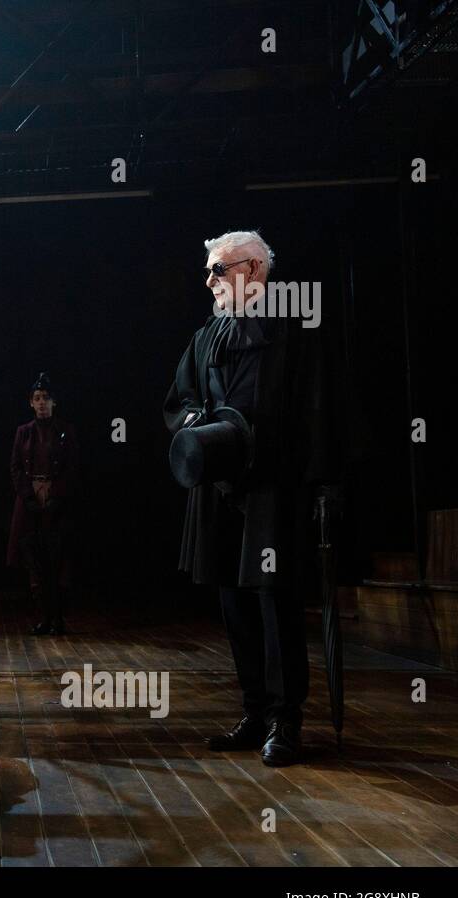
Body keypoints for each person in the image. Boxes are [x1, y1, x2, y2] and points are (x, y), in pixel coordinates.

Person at [163, 229, 342, 767]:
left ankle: (286, 719)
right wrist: (198, 427)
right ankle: (255, 710)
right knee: (233, 600)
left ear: (255, 271)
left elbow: (319, 410)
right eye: (209, 271)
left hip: (274, 488)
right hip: (221, 488)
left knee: (275, 601)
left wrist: (324, 485)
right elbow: (180, 401)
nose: (210, 280)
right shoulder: (205, 338)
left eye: (220, 269)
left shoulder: (296, 331)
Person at [7, 374, 80, 635]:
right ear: (31, 403)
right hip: (30, 500)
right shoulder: (23, 432)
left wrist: (57, 497)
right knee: (34, 560)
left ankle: (58, 617)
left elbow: (73, 468)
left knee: (57, 559)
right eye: (37, 399)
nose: (41, 403)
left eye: (46, 398)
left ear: (54, 402)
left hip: (56, 497)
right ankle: (44, 616)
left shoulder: (65, 431)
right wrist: (28, 496)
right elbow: (15, 467)